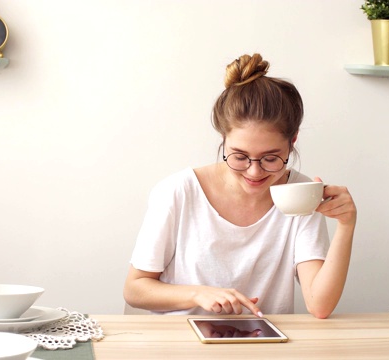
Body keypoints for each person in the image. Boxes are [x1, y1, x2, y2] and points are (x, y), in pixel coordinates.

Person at [123, 53, 356, 319]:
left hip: (262, 345)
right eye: (240, 156)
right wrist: (198, 293)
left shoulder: (302, 195)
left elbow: (319, 305)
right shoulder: (178, 191)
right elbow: (134, 289)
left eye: (271, 158)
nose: (254, 171)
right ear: (223, 139)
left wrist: (346, 226)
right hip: (182, 344)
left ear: (293, 141)